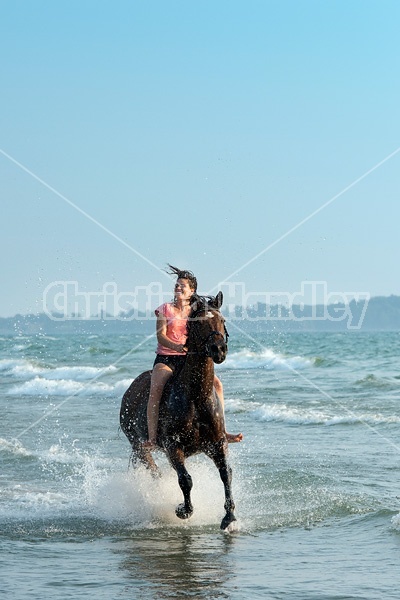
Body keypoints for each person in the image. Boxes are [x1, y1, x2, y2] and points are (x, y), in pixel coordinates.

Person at [143, 265, 243, 450]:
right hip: (167, 359)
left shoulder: (195, 312)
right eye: (177, 286)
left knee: (217, 384)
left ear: (192, 291)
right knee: (156, 389)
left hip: (188, 360)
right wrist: (177, 346)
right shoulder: (165, 309)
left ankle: (223, 432)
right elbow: (160, 336)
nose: (178, 288)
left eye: (183, 286)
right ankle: (152, 438)